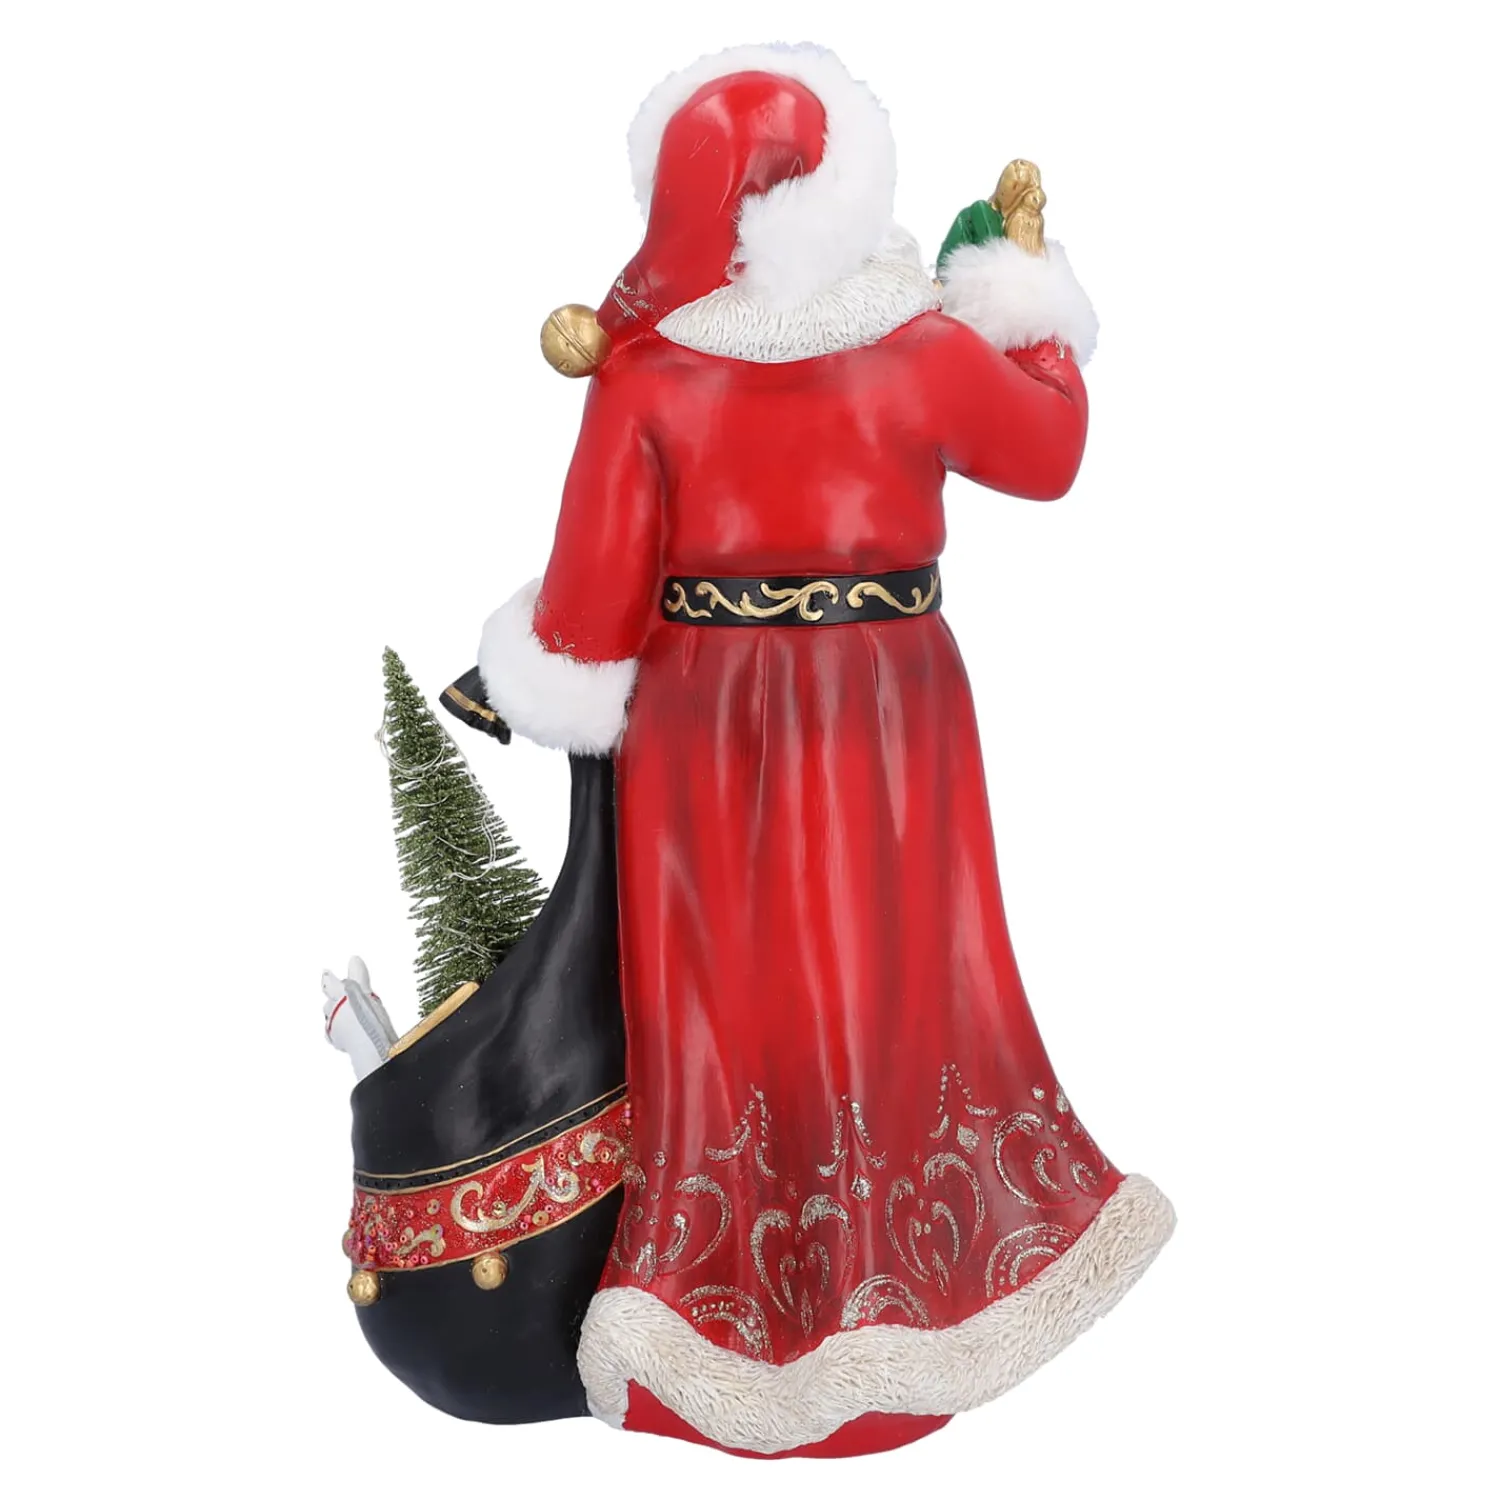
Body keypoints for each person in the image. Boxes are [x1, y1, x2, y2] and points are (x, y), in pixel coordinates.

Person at [477, 42, 1173, 1459]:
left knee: (720, 996)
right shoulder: (923, 347)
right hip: (887, 705)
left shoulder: (648, 373)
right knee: (890, 977)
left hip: (702, 719)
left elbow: (589, 613)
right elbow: (1049, 454)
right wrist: (1023, 303)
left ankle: (722, 1305)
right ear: (849, 185)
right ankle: (910, 1277)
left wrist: (525, 667)